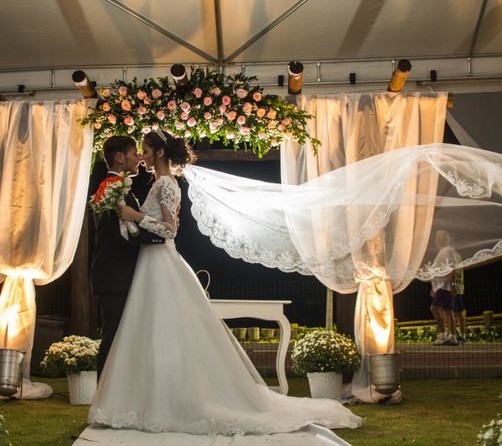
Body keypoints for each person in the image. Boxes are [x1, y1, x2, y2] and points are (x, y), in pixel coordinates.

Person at [87, 129, 361, 437]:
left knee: (163, 333)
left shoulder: (166, 184)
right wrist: (133, 221)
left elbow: (170, 230)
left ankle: (162, 399)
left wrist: (135, 216)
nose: (143, 157)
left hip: (159, 264)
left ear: (160, 153)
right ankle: (147, 397)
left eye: (147, 151)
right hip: (149, 266)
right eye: (141, 152)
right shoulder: (155, 183)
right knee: (152, 335)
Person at [90, 136, 165, 380]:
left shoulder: (118, 186)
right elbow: (124, 235)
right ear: (120, 157)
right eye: (135, 153)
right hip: (115, 279)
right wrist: (161, 238)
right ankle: (102, 399)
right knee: (112, 340)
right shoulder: (111, 188)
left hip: (121, 277)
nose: (140, 158)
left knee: (122, 340)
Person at [429, 230, 460, 346]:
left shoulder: (447, 250)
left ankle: (442, 335)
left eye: (440, 237)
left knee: (434, 308)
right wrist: (434, 288)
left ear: (445, 239)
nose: (437, 239)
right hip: (441, 287)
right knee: (448, 310)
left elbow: (452, 267)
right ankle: (452, 337)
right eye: (437, 237)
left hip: (445, 286)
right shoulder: (442, 251)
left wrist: (453, 285)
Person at [453, 266, 467, 342]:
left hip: (455, 289)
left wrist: (452, 284)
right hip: (452, 288)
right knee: (450, 311)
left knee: (458, 311)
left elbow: (455, 273)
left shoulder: (455, 259)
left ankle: (462, 334)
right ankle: (457, 334)